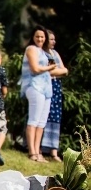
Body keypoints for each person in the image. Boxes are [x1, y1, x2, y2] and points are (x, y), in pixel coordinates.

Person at [20, 25, 57, 163]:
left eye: (42, 37)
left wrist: (52, 68)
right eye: (37, 36)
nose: (40, 39)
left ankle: (38, 151)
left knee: (41, 122)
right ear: (33, 37)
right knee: (34, 120)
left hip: (46, 88)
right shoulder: (31, 49)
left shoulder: (45, 52)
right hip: (34, 86)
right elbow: (35, 69)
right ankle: (32, 152)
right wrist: (50, 67)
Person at [40, 30, 69, 162]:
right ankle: (40, 148)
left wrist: (55, 71)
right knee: (43, 117)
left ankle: (53, 151)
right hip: (46, 86)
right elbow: (48, 72)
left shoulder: (55, 53)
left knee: (55, 117)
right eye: (51, 39)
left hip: (56, 87)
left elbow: (64, 70)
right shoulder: (42, 53)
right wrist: (55, 71)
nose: (54, 42)